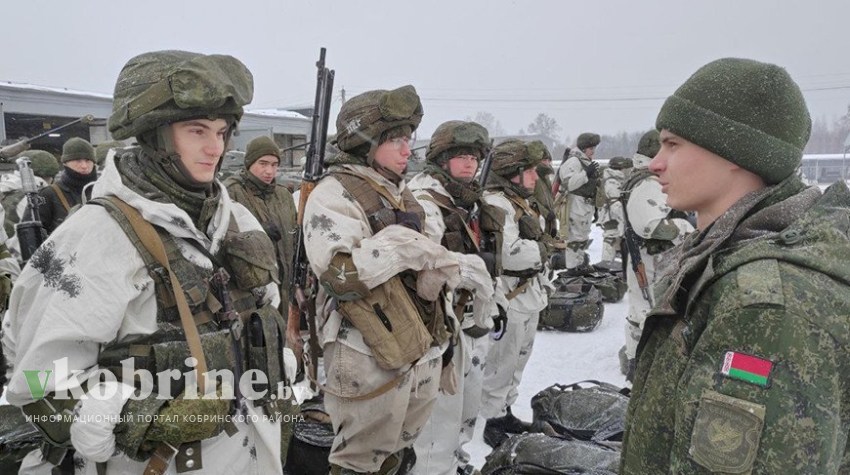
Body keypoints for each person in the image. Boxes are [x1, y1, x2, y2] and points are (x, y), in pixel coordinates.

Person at [2, 50, 292, 474]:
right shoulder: (97, 235)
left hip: (252, 449)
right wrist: (137, 417)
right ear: (155, 135)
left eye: (222, 131)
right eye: (197, 131)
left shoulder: (235, 219)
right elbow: (33, 385)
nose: (215, 148)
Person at [621, 57, 850, 474]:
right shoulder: (727, 258)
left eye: (673, 145)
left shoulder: (763, 307)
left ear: (735, 154)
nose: (655, 163)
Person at [302, 86, 491, 475]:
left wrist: (440, 277)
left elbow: (418, 267)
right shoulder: (334, 193)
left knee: (399, 455)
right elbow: (340, 276)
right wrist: (400, 246)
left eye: (409, 138)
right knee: (359, 461)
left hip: (412, 344)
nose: (408, 150)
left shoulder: (401, 194)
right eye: (396, 140)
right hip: (365, 352)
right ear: (364, 143)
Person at [407, 120, 500, 475]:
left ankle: (455, 464)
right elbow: (425, 262)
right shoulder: (425, 199)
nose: (469, 164)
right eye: (460, 156)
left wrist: (492, 304)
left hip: (468, 322)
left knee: (465, 410)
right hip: (438, 323)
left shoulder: (470, 199)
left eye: (474, 157)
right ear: (441, 159)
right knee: (436, 424)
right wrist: (470, 271)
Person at [480, 140, 558, 448]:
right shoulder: (496, 203)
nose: (534, 178)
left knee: (518, 358)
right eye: (527, 171)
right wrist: (543, 248)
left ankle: (505, 409)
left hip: (527, 292)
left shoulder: (517, 201)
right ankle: (493, 419)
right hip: (509, 293)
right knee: (502, 360)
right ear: (509, 173)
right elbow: (511, 254)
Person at [617, 130, 692, 380]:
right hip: (649, 261)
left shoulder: (644, 179)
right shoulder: (647, 183)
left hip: (649, 259)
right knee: (644, 311)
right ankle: (638, 365)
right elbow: (651, 226)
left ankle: (638, 362)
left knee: (644, 309)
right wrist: (685, 229)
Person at [224, 135, 297, 314]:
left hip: (285, 284)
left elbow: (294, 236)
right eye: (263, 163)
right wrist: (257, 235)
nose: (269, 171)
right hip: (252, 290)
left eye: (274, 165)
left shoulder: (283, 195)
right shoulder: (231, 192)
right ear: (249, 163)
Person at [24, 137, 98, 234]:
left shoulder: (102, 190)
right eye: (77, 160)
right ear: (65, 163)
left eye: (88, 160)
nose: (84, 166)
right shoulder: (47, 195)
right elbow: (31, 235)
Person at [555, 132, 600, 275]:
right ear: (583, 148)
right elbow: (569, 184)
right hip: (576, 204)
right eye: (590, 148)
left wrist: (596, 207)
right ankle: (573, 268)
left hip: (585, 205)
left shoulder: (585, 161)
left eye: (594, 148)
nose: (593, 151)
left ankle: (580, 265)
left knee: (583, 237)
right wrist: (586, 173)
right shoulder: (573, 162)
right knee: (575, 238)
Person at [596, 155, 632, 265]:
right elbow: (615, 203)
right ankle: (606, 263)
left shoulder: (614, 179)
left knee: (613, 238)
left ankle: (609, 262)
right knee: (611, 237)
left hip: (612, 214)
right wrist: (624, 220)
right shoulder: (612, 181)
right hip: (612, 216)